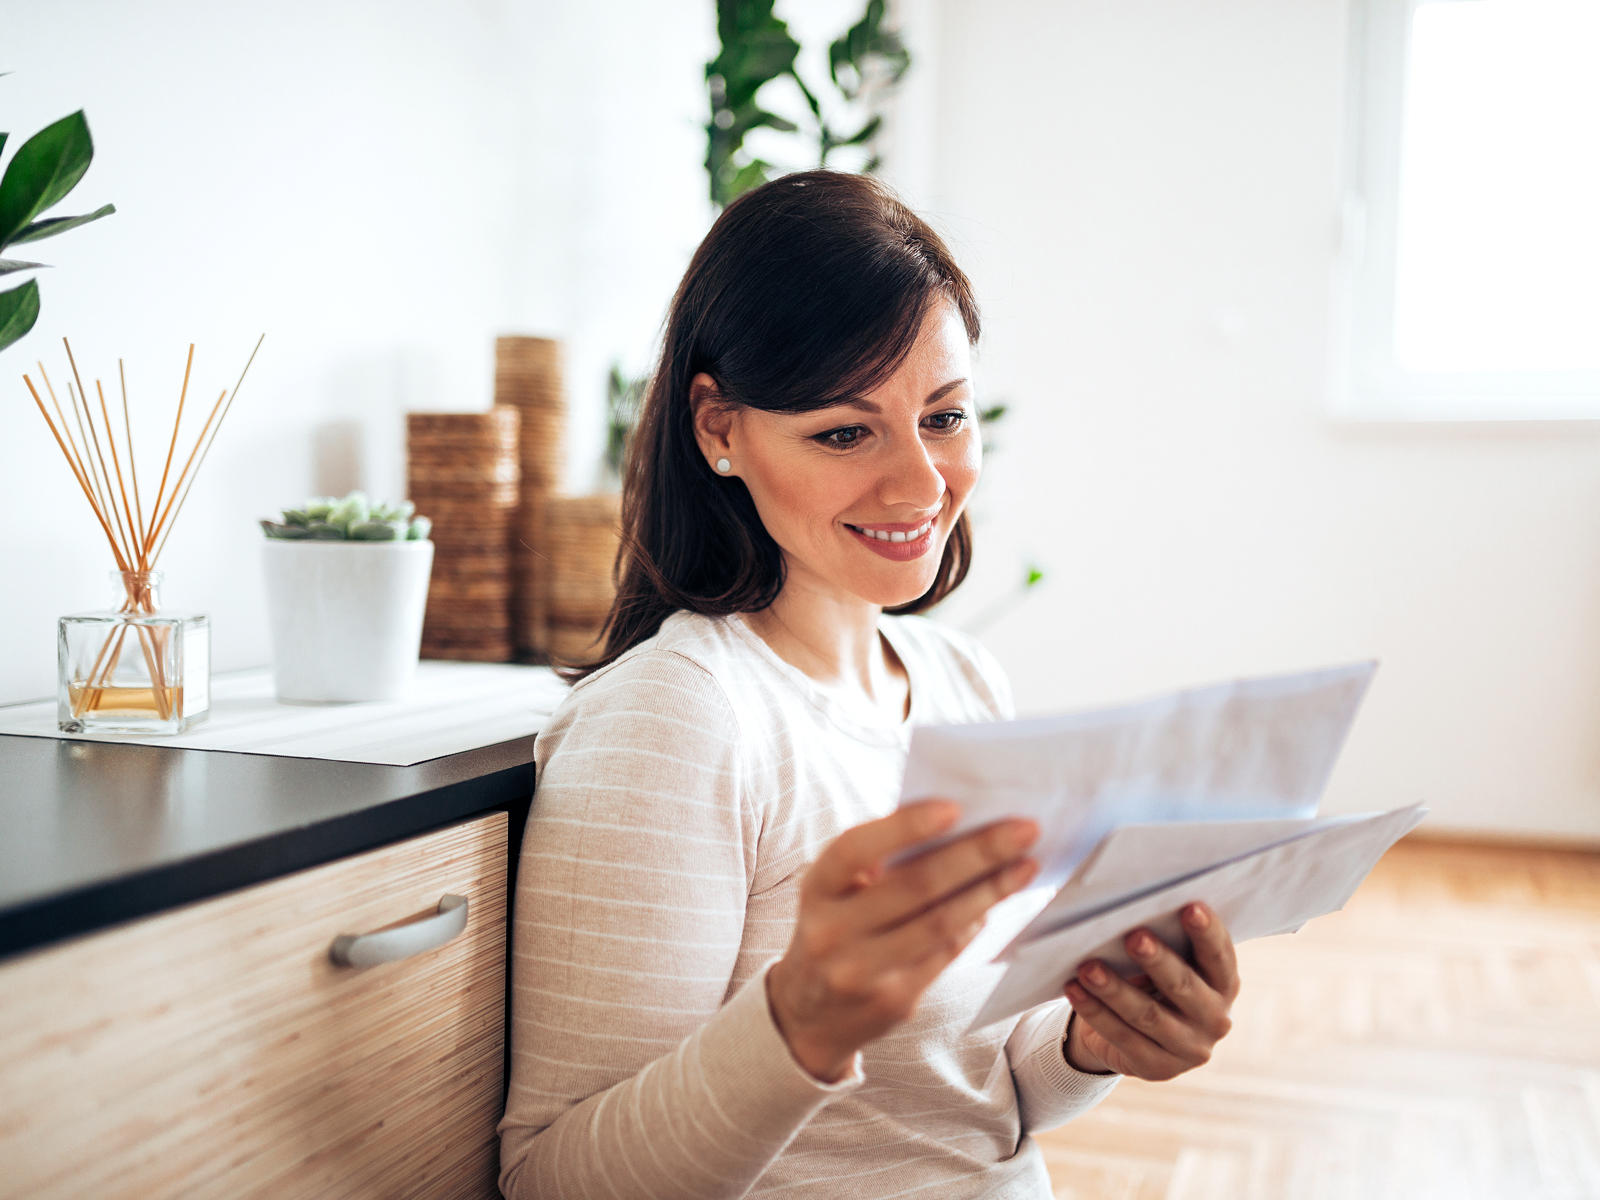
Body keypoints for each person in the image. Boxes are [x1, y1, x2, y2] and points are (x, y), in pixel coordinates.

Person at [498, 170, 1240, 1199]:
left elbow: (979, 1092)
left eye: (944, 417)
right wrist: (797, 1027)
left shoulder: (962, 681)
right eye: (846, 432)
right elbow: (551, 1179)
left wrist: (1093, 1042)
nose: (922, 483)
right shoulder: (678, 717)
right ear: (719, 429)